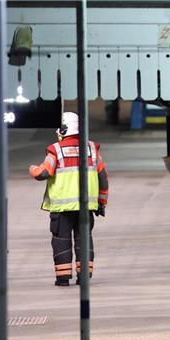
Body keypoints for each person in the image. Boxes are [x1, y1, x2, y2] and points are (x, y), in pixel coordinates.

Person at [29, 112, 108, 286]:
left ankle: (63, 278)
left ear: (63, 129)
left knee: (61, 240)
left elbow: (43, 173)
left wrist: (32, 169)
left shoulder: (56, 150)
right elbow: (103, 177)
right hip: (86, 207)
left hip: (62, 209)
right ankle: (84, 277)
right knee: (84, 239)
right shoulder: (92, 150)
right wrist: (102, 202)